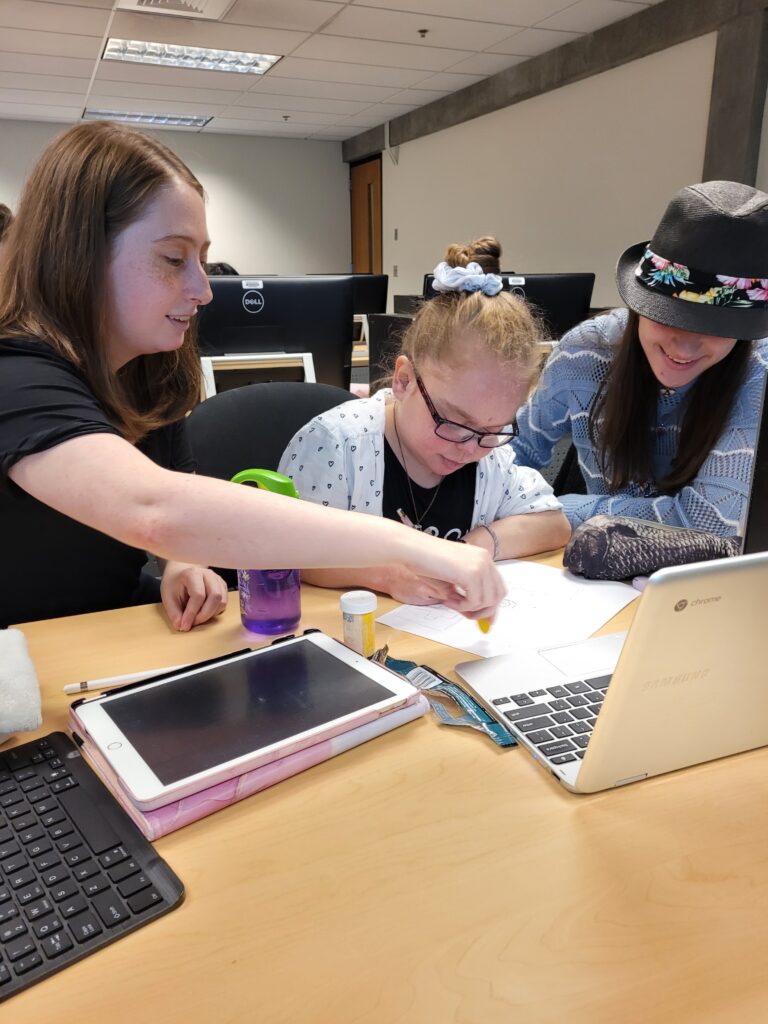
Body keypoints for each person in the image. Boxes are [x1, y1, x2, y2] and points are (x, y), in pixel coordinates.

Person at [0, 121, 505, 630]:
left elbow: (175, 509)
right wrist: (416, 548)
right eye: (174, 258)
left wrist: (183, 563)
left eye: (201, 258)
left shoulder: (145, 373)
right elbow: (152, 507)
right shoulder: (15, 373)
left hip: (114, 630)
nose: (203, 289)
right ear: (78, 255)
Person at [278, 237, 571, 604]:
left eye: (493, 430)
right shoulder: (336, 444)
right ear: (403, 381)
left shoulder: (488, 458)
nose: (469, 449)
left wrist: (471, 547)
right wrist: (387, 572)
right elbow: (287, 550)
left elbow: (553, 522)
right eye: (454, 422)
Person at [512, 181, 768, 535]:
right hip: (593, 577)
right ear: (639, 304)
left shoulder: (759, 374)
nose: (683, 347)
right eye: (668, 316)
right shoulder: (586, 352)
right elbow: (513, 452)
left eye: (717, 325)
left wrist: (558, 510)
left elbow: (710, 521)